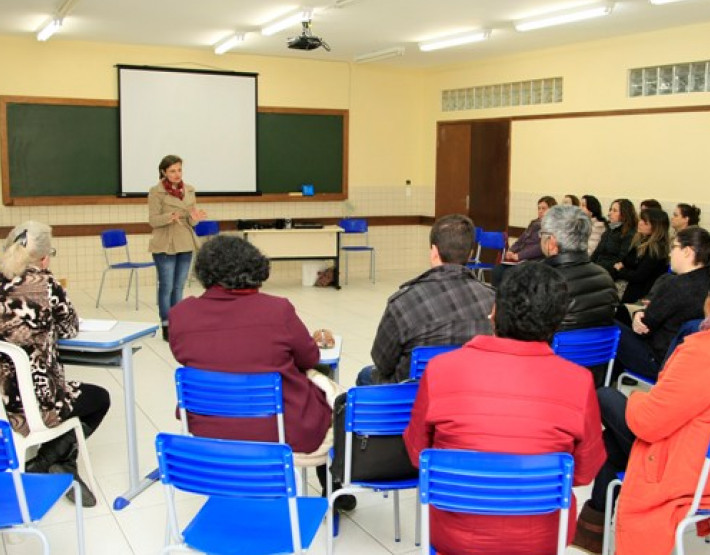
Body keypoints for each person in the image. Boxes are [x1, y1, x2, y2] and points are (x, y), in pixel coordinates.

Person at [572, 264, 710, 555]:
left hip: (698, 472)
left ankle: (590, 530)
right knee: (613, 442)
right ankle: (592, 527)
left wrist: (640, 399)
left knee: (605, 396)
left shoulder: (704, 351)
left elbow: (647, 424)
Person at [404, 262, 605, 555]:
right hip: (542, 539)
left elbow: (417, 454)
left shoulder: (439, 370)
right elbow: (584, 473)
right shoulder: (579, 381)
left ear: (495, 311)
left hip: (455, 537)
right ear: (557, 323)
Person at [168, 235, 355, 510]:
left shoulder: (181, 314)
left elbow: (184, 355)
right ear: (254, 268)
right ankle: (332, 486)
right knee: (335, 400)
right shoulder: (277, 309)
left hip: (210, 427)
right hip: (280, 430)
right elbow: (309, 357)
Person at [0, 221, 109, 507]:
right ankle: (47, 461)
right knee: (99, 398)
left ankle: (60, 463)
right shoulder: (46, 285)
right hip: (33, 403)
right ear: (44, 257)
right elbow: (70, 328)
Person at [358, 214, 495, 385]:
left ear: (434, 252)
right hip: (471, 391)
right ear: (470, 255)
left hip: (413, 398)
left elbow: (383, 362)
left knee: (365, 375)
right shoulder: (494, 300)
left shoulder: (402, 303)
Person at [613, 226, 710, 382]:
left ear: (687, 251)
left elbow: (645, 328)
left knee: (610, 324)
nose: (669, 253)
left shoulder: (675, 285)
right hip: (690, 363)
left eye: (674, 247)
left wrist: (637, 316)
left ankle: (604, 383)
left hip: (660, 361)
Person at [148, 154, 207, 341]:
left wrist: (195, 219)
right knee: (167, 286)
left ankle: (177, 323)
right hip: (165, 243)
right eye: (172, 170)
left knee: (179, 286)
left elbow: (190, 220)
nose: (177, 174)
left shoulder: (189, 190)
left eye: (179, 170)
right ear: (164, 172)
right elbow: (153, 221)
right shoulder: (156, 192)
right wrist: (169, 217)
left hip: (185, 241)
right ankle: (166, 324)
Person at [540, 206, 618, 331]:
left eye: (541, 234)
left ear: (552, 243)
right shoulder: (605, 277)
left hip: (554, 349)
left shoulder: (538, 279)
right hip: (597, 349)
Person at [611, 207, 670, 308]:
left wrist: (621, 270)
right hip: (628, 284)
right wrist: (622, 269)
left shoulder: (656, 249)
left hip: (639, 293)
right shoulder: (641, 241)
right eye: (641, 219)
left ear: (656, 227)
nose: (640, 223)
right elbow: (624, 261)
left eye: (645, 222)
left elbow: (638, 276)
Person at [492, 196, 552, 287]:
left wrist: (519, 256)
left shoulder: (550, 227)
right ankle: (497, 297)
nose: (540, 211)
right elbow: (521, 240)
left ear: (551, 210)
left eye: (543, 208)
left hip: (534, 261)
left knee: (509, 274)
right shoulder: (534, 223)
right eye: (539, 208)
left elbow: (540, 247)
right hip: (520, 259)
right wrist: (511, 251)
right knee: (497, 270)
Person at [591, 198, 637, 274]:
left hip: (610, 271)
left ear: (624, 214)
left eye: (614, 211)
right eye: (610, 210)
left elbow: (621, 260)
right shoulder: (609, 229)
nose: (609, 213)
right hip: (598, 267)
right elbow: (597, 252)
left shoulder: (629, 234)